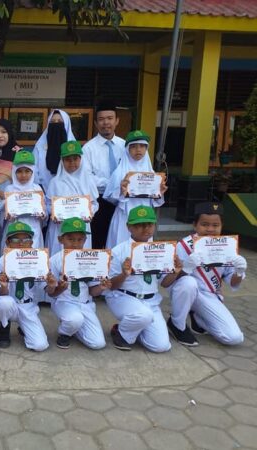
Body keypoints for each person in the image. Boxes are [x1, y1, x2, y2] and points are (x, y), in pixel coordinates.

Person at [166, 202, 246, 346]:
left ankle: (199, 319)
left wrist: (239, 272)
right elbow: (169, 280)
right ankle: (176, 324)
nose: (210, 229)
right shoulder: (183, 245)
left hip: (209, 295)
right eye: (204, 224)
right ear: (195, 225)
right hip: (184, 291)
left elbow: (232, 282)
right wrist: (186, 268)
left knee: (234, 338)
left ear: (221, 226)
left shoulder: (227, 246)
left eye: (215, 225)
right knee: (189, 283)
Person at [105, 205, 180, 352]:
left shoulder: (161, 250)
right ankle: (120, 333)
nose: (145, 229)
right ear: (129, 227)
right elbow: (111, 286)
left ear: (154, 225)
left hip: (151, 301)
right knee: (143, 315)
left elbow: (165, 284)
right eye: (139, 225)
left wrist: (175, 272)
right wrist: (124, 274)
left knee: (161, 346)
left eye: (149, 224)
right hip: (124, 297)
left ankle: (135, 329)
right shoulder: (119, 251)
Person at [46, 217, 109, 350]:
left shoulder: (90, 259)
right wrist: (59, 288)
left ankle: (74, 329)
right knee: (75, 319)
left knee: (98, 344)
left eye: (80, 239)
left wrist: (101, 287)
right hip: (64, 302)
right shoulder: (54, 261)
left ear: (85, 240)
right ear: (60, 239)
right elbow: (51, 294)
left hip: (85, 304)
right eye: (71, 239)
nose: (75, 244)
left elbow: (93, 292)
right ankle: (65, 333)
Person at [103, 130, 167, 248]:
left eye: (142, 146)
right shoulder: (119, 172)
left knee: (142, 249)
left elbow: (156, 201)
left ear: (146, 149)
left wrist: (160, 193)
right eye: (133, 146)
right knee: (121, 247)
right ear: (127, 149)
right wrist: (121, 191)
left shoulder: (151, 173)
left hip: (145, 217)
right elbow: (109, 197)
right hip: (125, 216)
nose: (138, 150)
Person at [0, 222, 49, 351]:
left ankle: (24, 327)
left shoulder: (39, 260)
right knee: (4, 302)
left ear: (31, 242)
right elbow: (1, 293)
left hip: (28, 306)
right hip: (11, 304)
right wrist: (4, 286)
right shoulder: (2, 261)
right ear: (7, 242)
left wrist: (52, 285)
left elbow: (48, 289)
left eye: (25, 240)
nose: (21, 243)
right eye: (15, 240)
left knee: (40, 345)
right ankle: (4, 327)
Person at [83, 100, 126, 249]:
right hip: (99, 201)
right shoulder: (88, 149)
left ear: (117, 121)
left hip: (121, 201)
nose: (106, 122)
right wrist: (113, 184)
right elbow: (87, 178)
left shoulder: (125, 146)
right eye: (101, 119)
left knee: (119, 242)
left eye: (110, 118)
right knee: (98, 243)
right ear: (96, 123)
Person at [45, 141, 98, 256]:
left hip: (81, 226)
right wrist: (54, 213)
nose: (72, 163)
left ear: (81, 159)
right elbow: (48, 205)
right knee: (59, 258)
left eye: (75, 159)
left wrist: (90, 213)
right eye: (68, 160)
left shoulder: (88, 180)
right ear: (62, 161)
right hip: (60, 227)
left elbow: (94, 203)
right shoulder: (55, 182)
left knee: (80, 259)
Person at [1, 151, 46, 250]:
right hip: (14, 228)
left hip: (33, 228)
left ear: (32, 171)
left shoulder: (37, 189)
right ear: (14, 171)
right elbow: (3, 214)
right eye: (19, 171)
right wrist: (7, 215)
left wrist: (42, 215)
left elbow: (44, 212)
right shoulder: (9, 189)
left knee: (32, 255)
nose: (23, 175)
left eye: (27, 171)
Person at [32, 109, 76, 191]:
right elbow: (33, 169)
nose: (56, 124)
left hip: (69, 193)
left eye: (60, 121)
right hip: (43, 191)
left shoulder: (74, 147)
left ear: (66, 124)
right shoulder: (40, 146)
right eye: (52, 122)